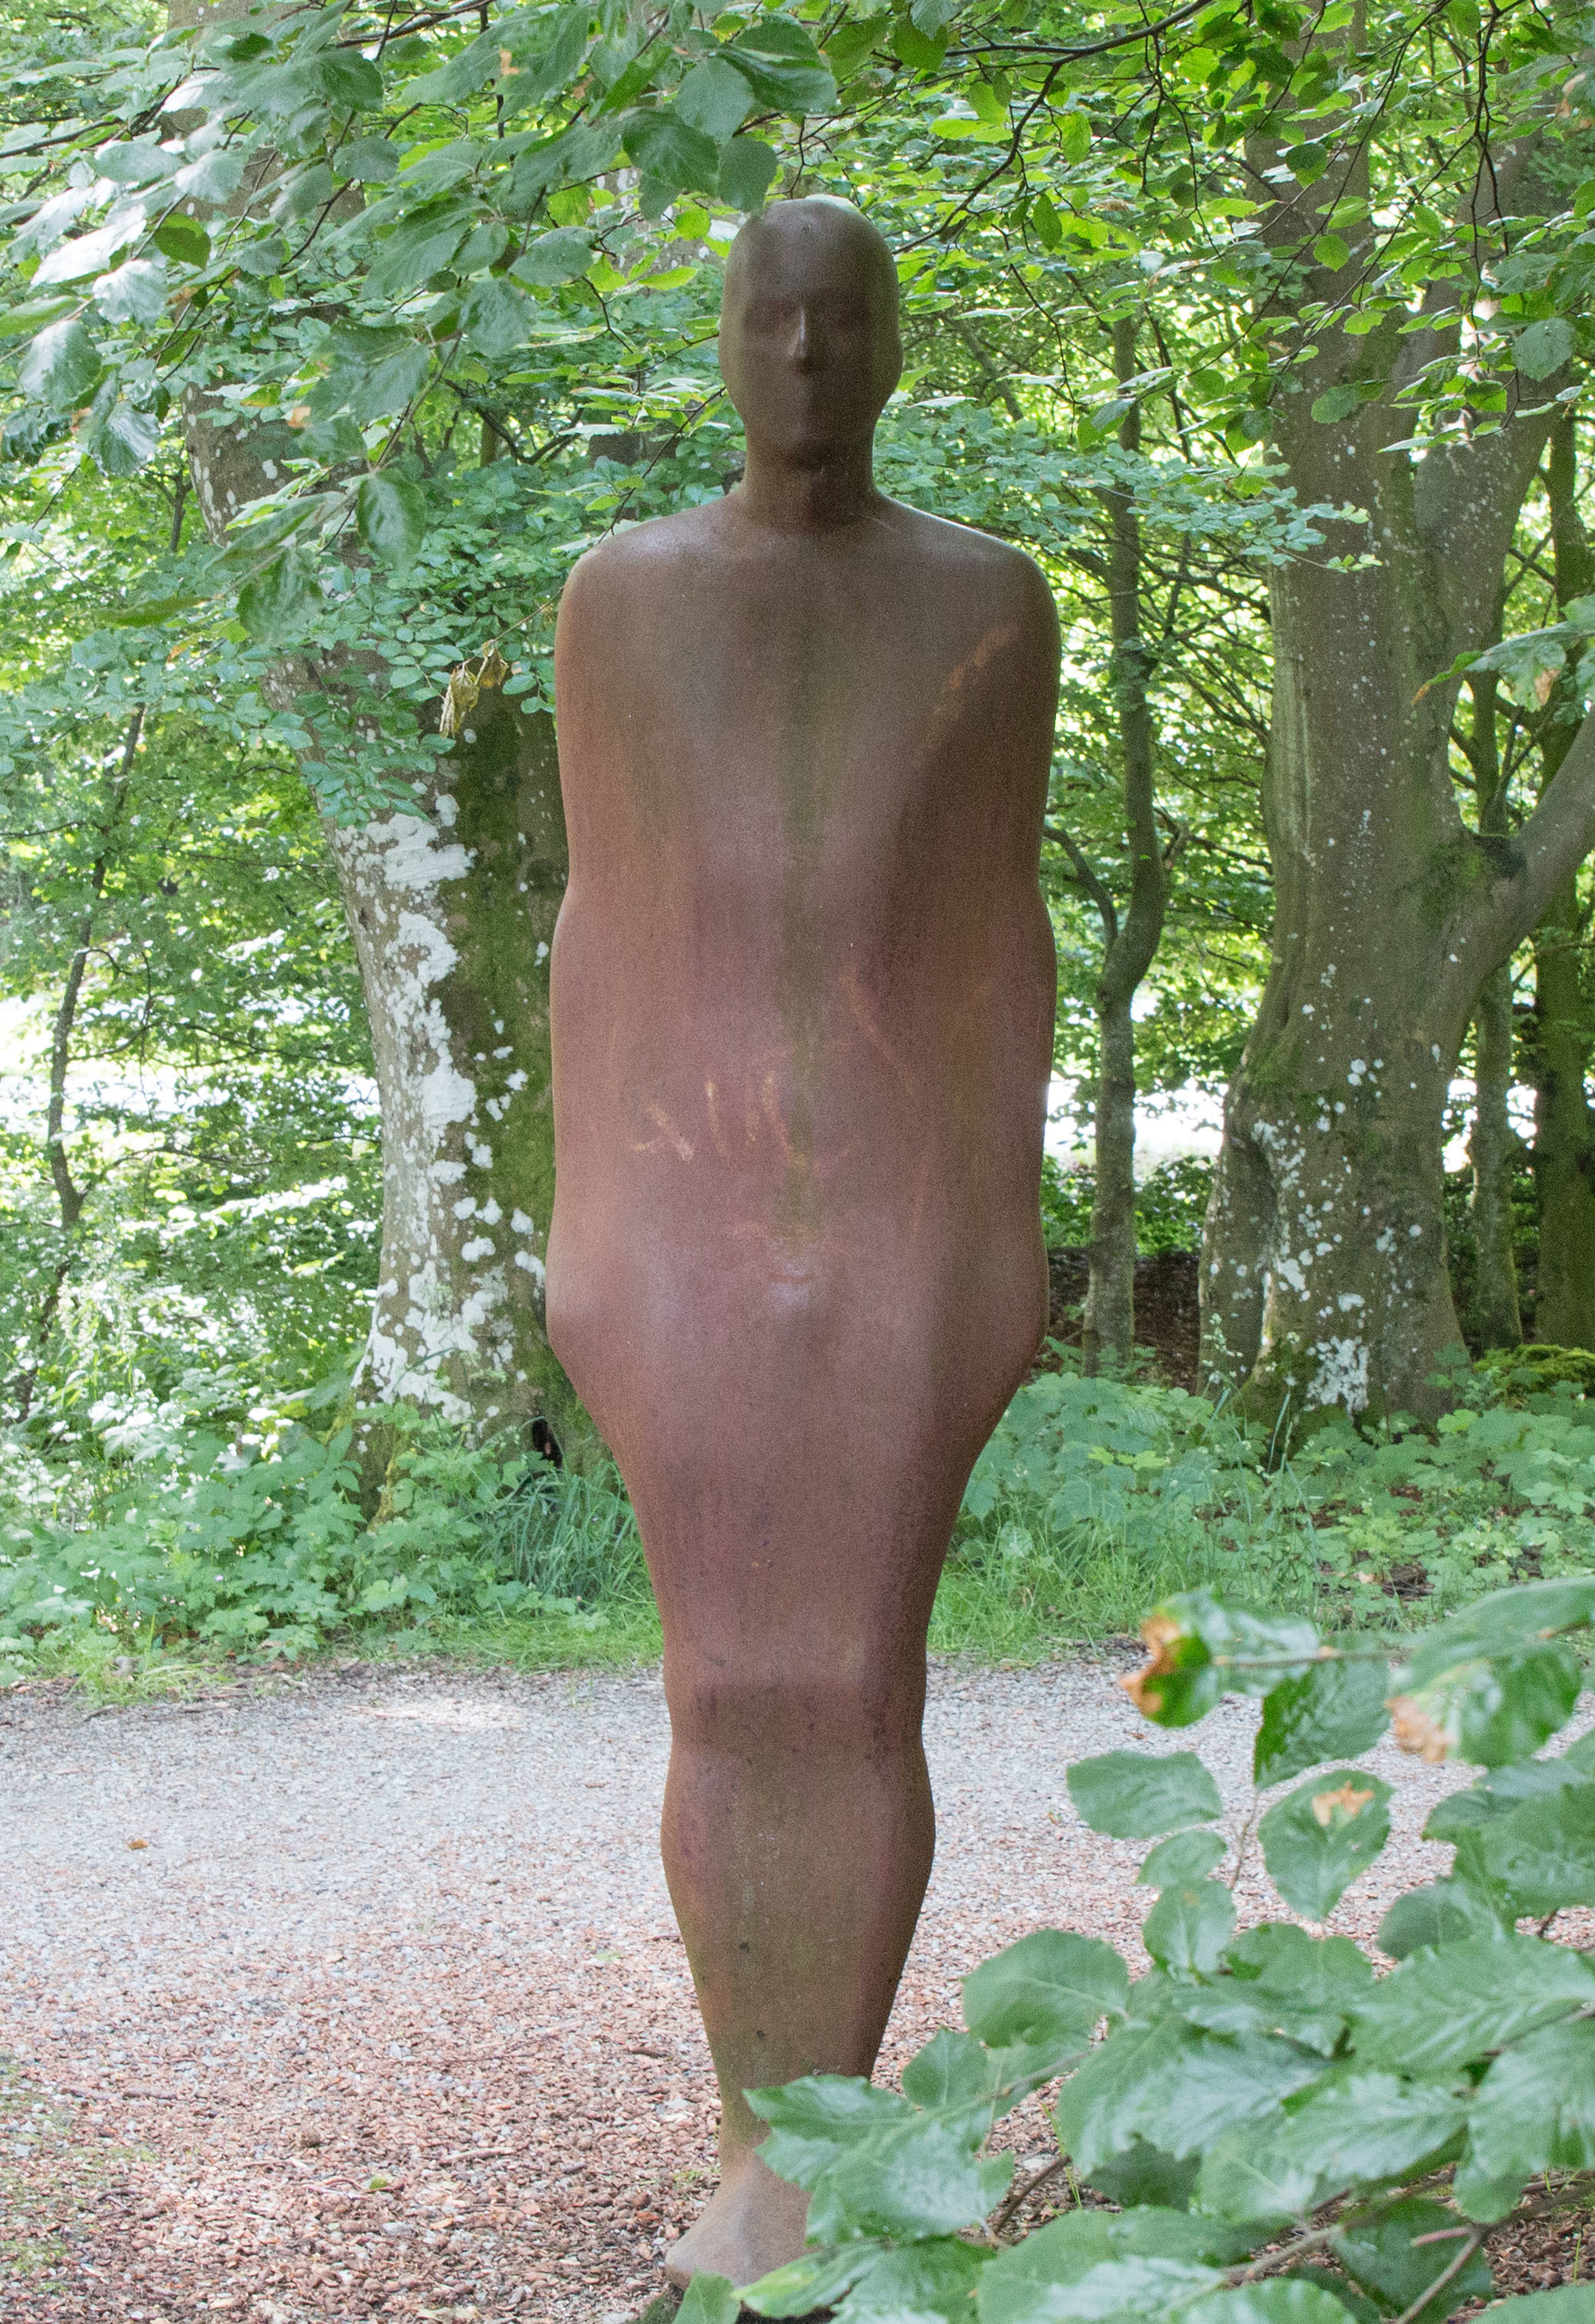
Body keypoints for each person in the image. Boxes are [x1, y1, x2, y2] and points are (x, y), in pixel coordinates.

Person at [543, 195, 1060, 2285]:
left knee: (848, 1680)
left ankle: (811, 2142)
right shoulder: (626, 600)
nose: (811, 360)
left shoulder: (985, 604)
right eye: (773, 321)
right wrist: (588, 1239)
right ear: (725, 342)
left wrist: (997, 1244)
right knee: (724, 1676)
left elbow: (996, 950)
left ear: (899, 342)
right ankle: (755, 2139)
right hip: (675, 1215)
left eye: (846, 321)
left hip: (898, 1215)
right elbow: (604, 940)